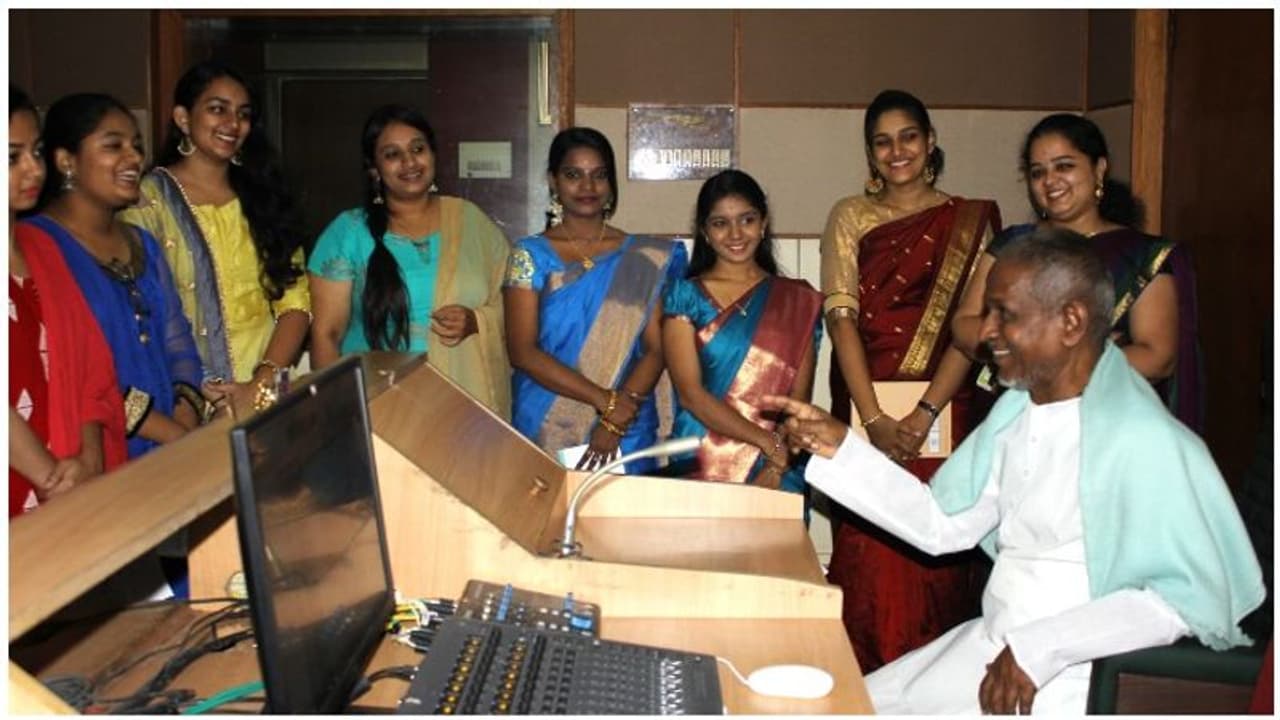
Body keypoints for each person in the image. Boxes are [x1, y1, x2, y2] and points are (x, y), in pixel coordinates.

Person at [766, 228, 1263, 715]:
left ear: (1071, 322)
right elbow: (942, 525)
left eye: (1004, 314)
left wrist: (1043, 646)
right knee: (838, 706)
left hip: (1074, 679)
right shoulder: (1018, 412)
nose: (985, 331)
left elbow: (1182, 601)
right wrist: (840, 448)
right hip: (995, 645)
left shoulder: (1144, 439)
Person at [820, 89, 1002, 671]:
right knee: (871, 553)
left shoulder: (972, 221)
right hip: (865, 400)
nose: (896, 151)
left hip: (945, 408)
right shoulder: (850, 215)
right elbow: (841, 320)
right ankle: (864, 683)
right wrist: (873, 419)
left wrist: (924, 413)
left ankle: (937, 687)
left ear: (930, 142)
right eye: (882, 142)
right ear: (870, 153)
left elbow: (970, 330)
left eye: (908, 137)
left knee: (938, 549)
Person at [951, 112, 1203, 433]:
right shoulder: (1013, 244)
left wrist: (1057, 365)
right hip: (1010, 417)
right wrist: (1034, 347)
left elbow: (1157, 357)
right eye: (1038, 172)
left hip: (1100, 423)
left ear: (1099, 169)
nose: (1050, 181)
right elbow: (964, 324)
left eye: (1064, 166)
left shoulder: (1142, 255)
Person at [120, 61, 309, 416]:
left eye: (243, 114)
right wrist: (209, 392)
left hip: (270, 389)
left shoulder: (265, 198)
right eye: (217, 109)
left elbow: (295, 303)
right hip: (188, 399)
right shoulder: (147, 201)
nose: (233, 124)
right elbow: (143, 314)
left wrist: (261, 383)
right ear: (183, 118)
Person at [23, 93, 203, 460]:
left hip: (171, 449)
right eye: (113, 146)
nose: (134, 157)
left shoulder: (143, 244)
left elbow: (178, 342)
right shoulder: (38, 246)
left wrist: (186, 409)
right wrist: (171, 433)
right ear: (66, 161)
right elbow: (77, 371)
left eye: (136, 146)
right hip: (95, 454)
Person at [309, 104, 511, 418]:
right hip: (380, 407)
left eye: (418, 149)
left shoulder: (471, 221)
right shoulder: (348, 232)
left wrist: (476, 321)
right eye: (392, 154)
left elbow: (512, 305)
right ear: (374, 169)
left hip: (464, 410)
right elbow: (326, 335)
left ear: (433, 155)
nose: (409, 162)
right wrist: (337, 412)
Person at [504, 127, 686, 473]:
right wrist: (604, 402)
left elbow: (657, 349)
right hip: (546, 420)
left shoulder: (645, 258)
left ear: (611, 183)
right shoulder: (529, 255)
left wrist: (614, 421)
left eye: (599, 175)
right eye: (573, 175)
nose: (587, 187)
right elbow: (522, 351)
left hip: (628, 424)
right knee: (552, 507)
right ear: (553, 181)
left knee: (625, 509)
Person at [661, 169, 821, 496]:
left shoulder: (799, 299)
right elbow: (691, 395)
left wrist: (775, 465)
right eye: (720, 223)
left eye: (746, 220)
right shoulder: (686, 297)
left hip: (779, 466)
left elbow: (798, 402)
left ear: (763, 223)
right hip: (703, 462)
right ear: (705, 232)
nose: (735, 234)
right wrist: (768, 443)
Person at [10, 86, 127, 517]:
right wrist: (53, 481)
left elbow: (91, 370)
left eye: (37, 152)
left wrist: (90, 460)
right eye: (12, 157)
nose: (33, 169)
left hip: (70, 472)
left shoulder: (42, 247)